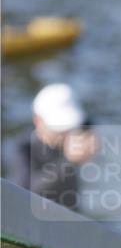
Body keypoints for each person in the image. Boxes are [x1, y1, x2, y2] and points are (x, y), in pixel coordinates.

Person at [11, 83, 97, 211]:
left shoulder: (77, 137)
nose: (64, 134)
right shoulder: (24, 148)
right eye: (59, 127)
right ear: (38, 121)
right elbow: (24, 192)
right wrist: (69, 161)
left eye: (69, 127)